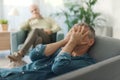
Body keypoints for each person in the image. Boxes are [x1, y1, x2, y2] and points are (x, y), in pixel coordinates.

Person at [0, 23, 96, 80]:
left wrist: (71, 43)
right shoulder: (59, 49)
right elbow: (33, 55)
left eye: (79, 33)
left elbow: (58, 67)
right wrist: (63, 41)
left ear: (90, 42)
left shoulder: (87, 63)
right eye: (72, 32)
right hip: (11, 72)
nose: (73, 36)